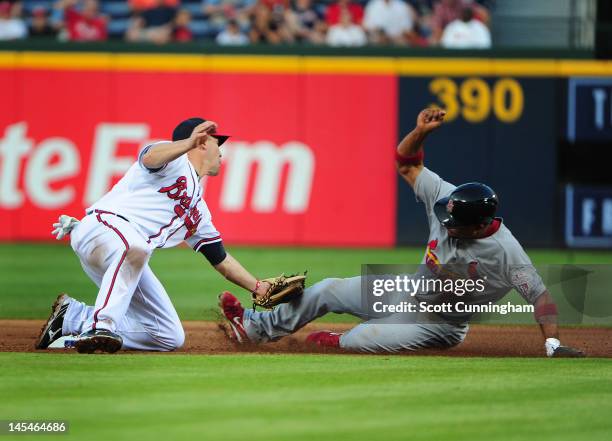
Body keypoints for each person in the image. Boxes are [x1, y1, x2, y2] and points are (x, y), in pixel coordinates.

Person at [219, 108, 585, 357]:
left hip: (440, 323)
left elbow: (540, 296)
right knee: (328, 288)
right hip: (408, 290)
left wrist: (552, 343)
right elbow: (406, 163)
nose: (447, 223)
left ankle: (335, 344)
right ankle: (255, 329)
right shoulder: (446, 198)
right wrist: (420, 133)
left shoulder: (506, 252)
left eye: (456, 224)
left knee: (362, 338)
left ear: (478, 226)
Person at [37, 118, 276, 354]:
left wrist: (257, 287)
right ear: (201, 143)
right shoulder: (175, 162)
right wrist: (187, 143)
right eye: (217, 142)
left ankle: (72, 318)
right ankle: (102, 326)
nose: (221, 151)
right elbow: (150, 156)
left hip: (125, 254)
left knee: (167, 335)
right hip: (102, 230)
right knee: (138, 247)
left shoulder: (199, 211)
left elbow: (220, 260)